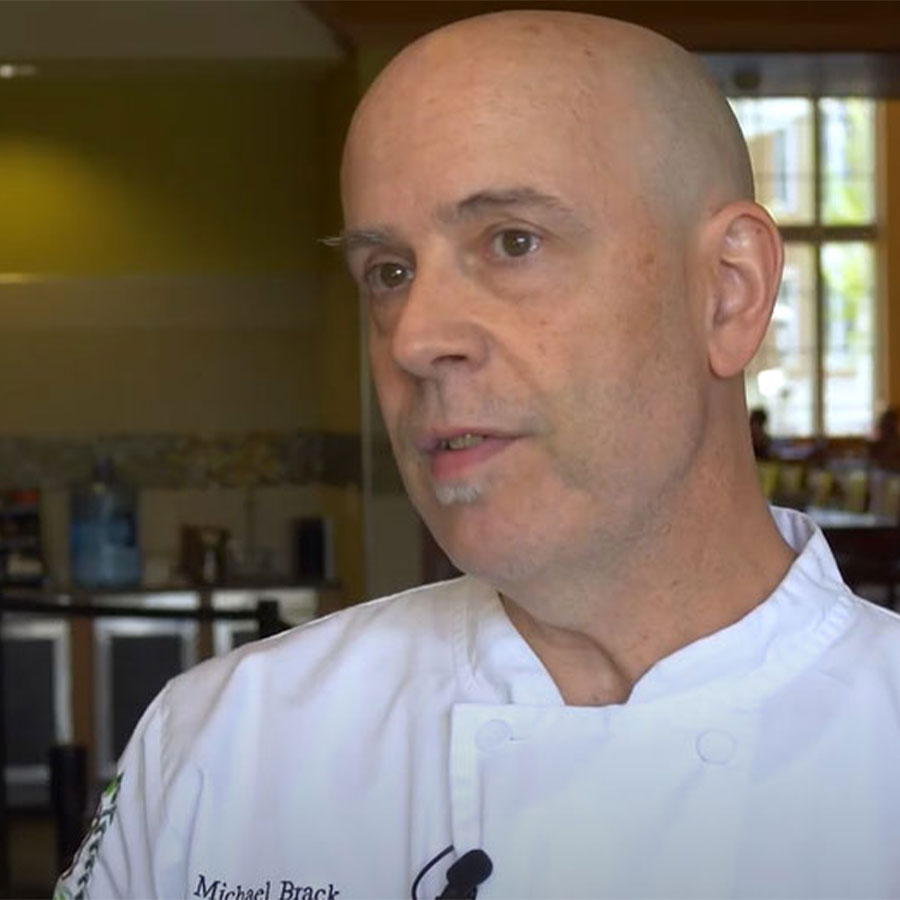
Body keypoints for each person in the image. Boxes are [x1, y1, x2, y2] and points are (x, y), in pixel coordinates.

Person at [57, 11, 900, 899]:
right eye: (388, 271)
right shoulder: (222, 746)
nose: (414, 338)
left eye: (513, 242)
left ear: (729, 293)